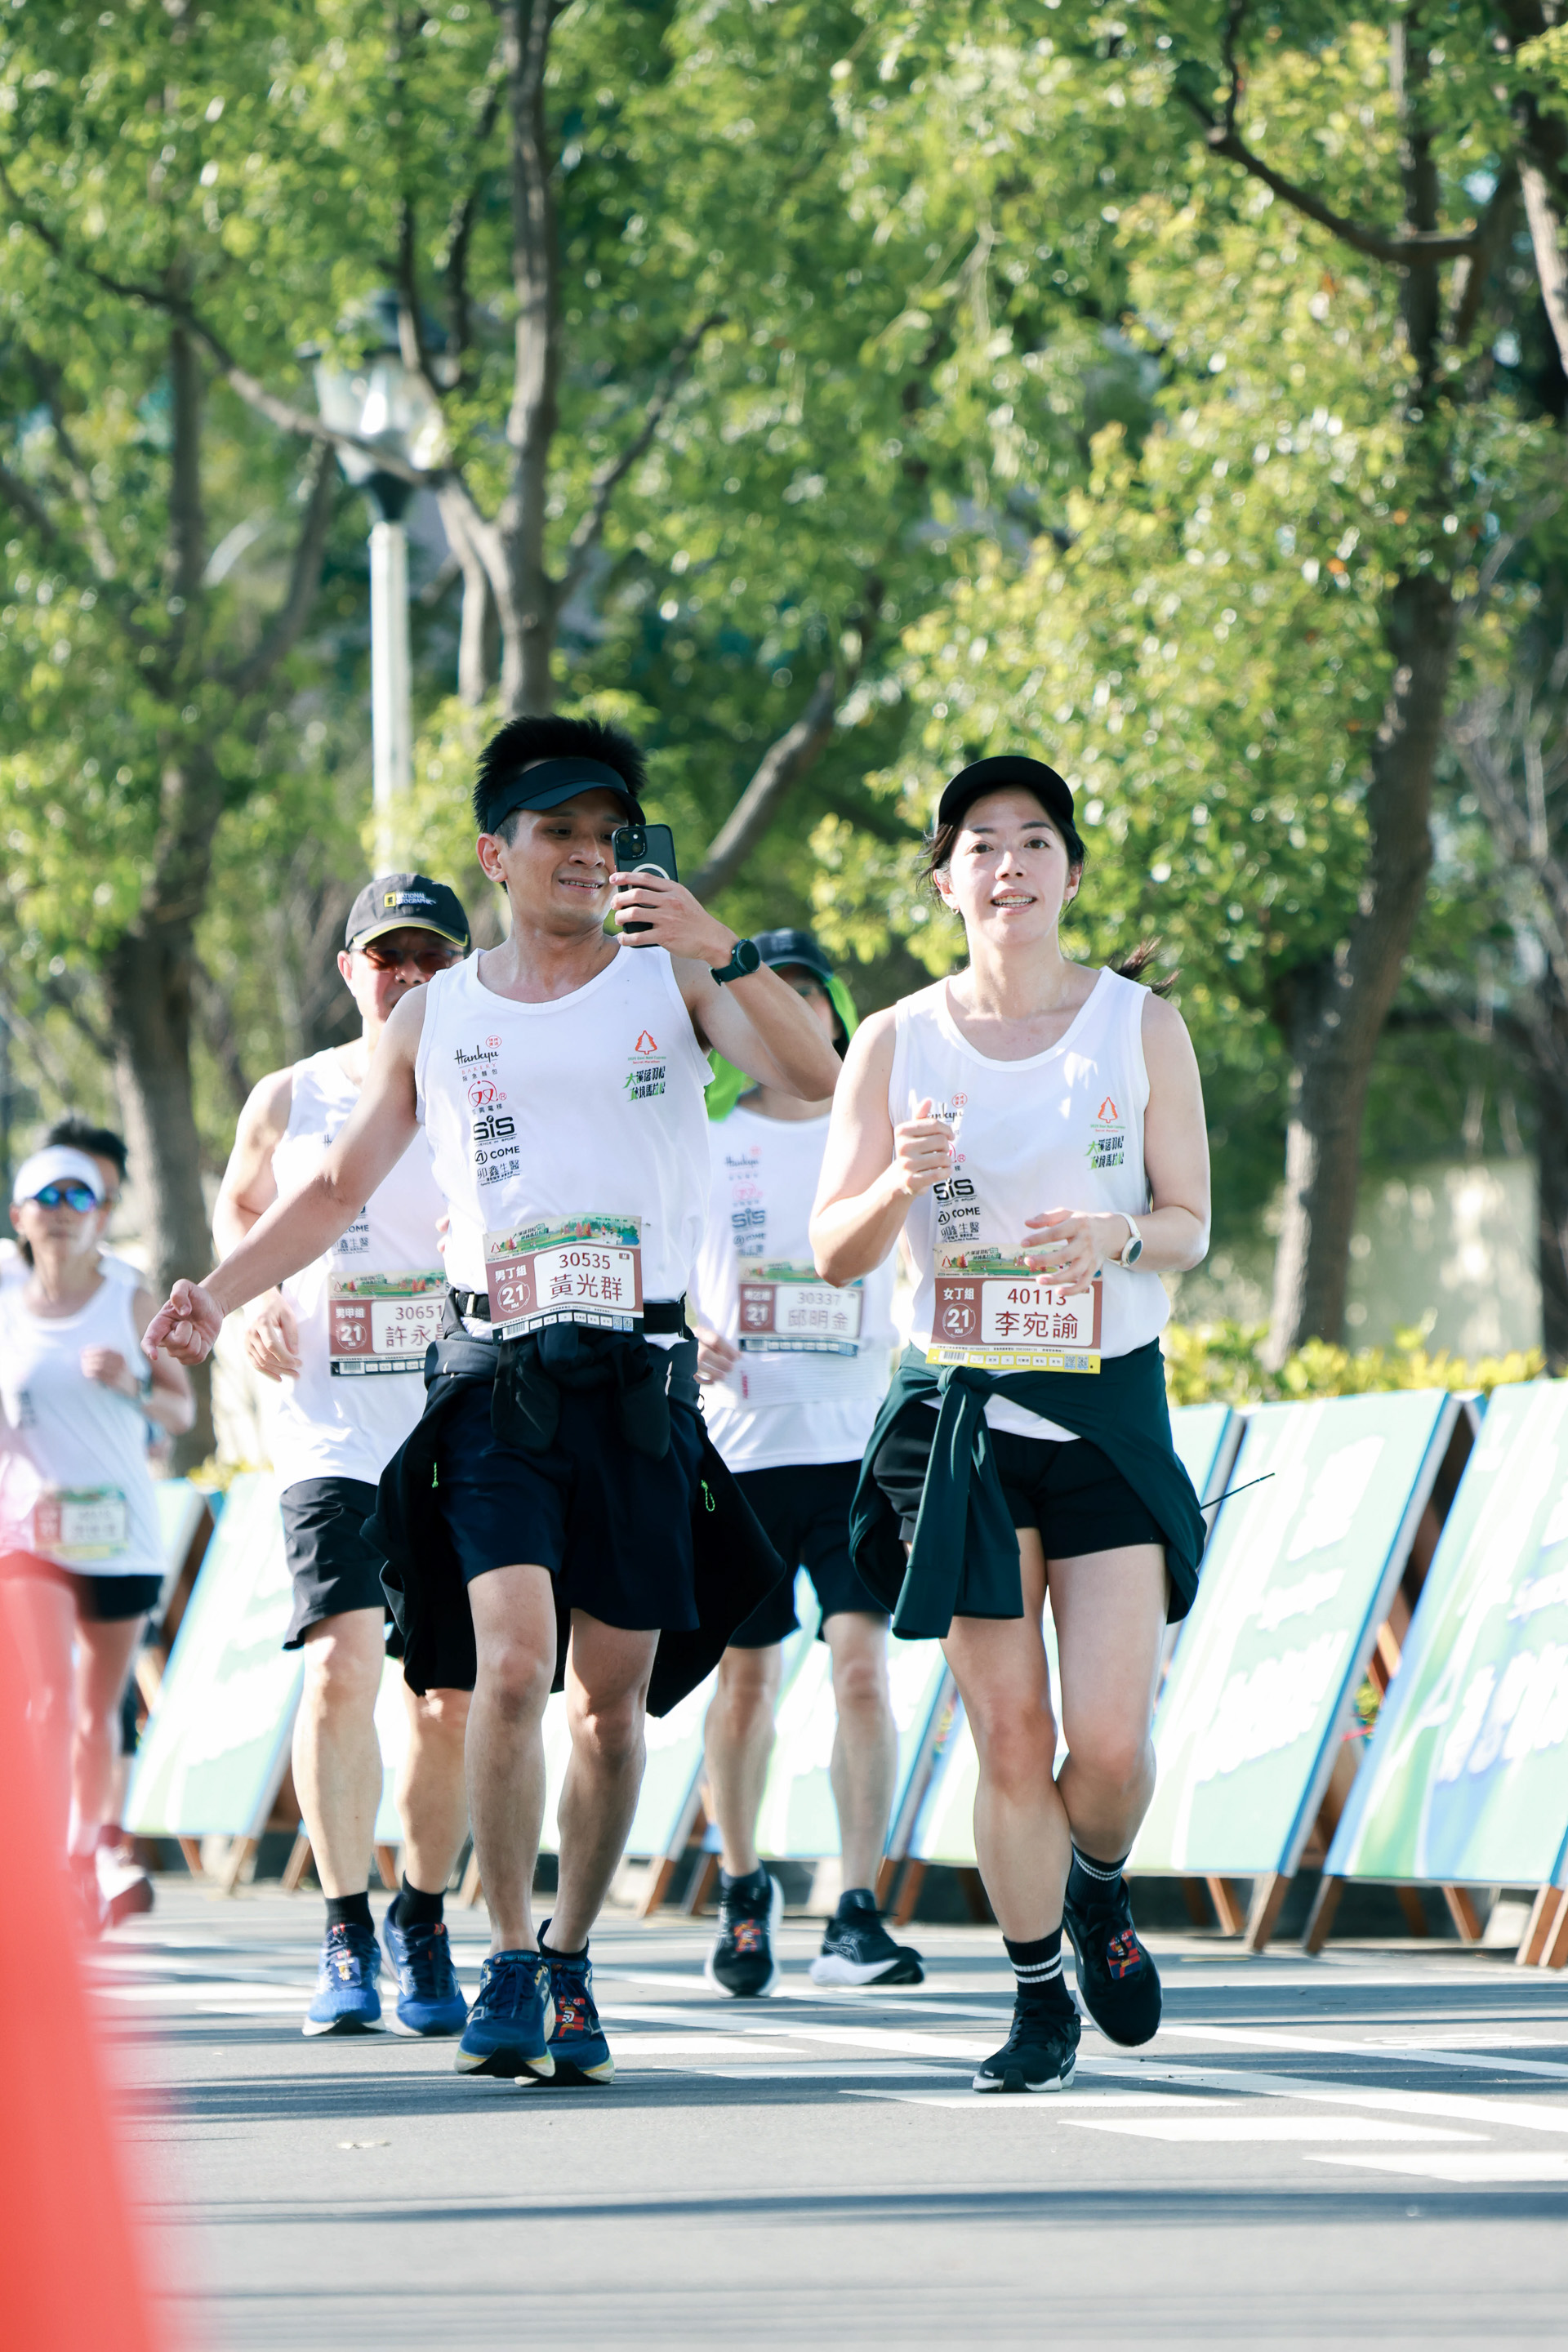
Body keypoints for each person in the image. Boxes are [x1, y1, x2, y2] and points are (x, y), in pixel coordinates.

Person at [145, 715, 841, 2088]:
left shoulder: (673, 978)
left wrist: (720, 945)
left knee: (612, 1704)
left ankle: (573, 1955)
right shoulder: (438, 1012)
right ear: (497, 854)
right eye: (557, 831)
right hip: (491, 1376)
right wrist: (217, 1294)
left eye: (608, 835)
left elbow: (815, 1081)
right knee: (511, 1665)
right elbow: (336, 1188)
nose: (587, 854)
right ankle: (511, 1952)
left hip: (636, 1378)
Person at [812, 755, 1210, 2094]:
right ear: (946, 883)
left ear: (1071, 873)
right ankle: (1039, 1997)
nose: (1010, 866)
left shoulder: (1139, 1026)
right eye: (980, 845)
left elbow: (1191, 1223)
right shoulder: (894, 1040)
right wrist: (897, 1186)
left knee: (1111, 1746)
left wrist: (1117, 1236)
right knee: (1008, 1734)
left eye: (1035, 840)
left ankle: (1097, 1886)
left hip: (1105, 1406)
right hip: (963, 1418)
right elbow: (834, 1252)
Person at [212, 873, 477, 2038]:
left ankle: (423, 1914)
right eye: (388, 957)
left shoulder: (482, 1082)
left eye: (431, 959)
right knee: (338, 1666)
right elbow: (241, 1205)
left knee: (446, 1702)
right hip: (326, 1423)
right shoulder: (292, 1092)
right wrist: (254, 1295)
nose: (408, 978)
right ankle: (344, 1924)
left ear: (461, 970)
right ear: (350, 971)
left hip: (453, 1422)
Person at [691, 928, 923, 1996]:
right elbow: (657, 1263)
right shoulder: (705, 1137)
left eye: (806, 998)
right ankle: (744, 1890)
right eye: (763, 1000)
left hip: (855, 1447)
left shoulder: (874, 1133)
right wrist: (686, 1330)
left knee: (863, 1670)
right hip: (742, 1452)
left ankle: (857, 1909)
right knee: (746, 1680)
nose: (786, 1017)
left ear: (836, 1017)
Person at [0, 1146, 195, 1932]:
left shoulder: (129, 1297)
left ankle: (83, 1856)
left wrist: (134, 1383)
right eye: (44, 1197)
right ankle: (41, 1865)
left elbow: (180, 1410)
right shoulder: (5, 1304)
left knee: (95, 1711)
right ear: (19, 1216)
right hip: (30, 1533)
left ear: (102, 1215)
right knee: (47, 1698)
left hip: (120, 1534)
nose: (60, 1210)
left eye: (77, 1196)